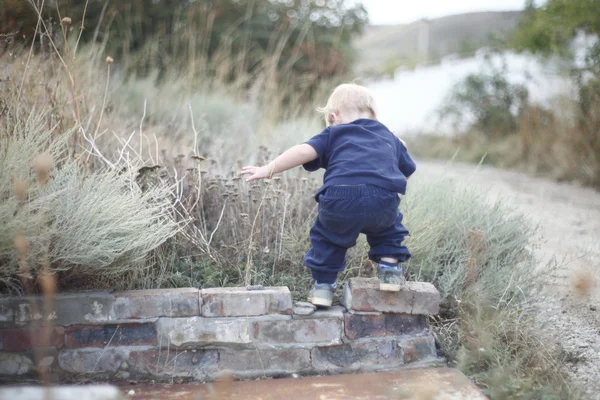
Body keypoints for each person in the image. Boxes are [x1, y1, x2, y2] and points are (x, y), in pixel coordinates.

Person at [241, 83, 416, 307]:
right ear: (373, 115)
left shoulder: (334, 132)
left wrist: (267, 169)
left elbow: (303, 151)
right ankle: (390, 270)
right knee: (389, 229)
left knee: (327, 237)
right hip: (382, 197)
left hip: (339, 197)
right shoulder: (390, 137)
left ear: (334, 116)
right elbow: (406, 173)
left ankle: (323, 287)